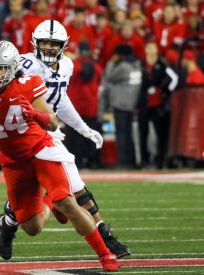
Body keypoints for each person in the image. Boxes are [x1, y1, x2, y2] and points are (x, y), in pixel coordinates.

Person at [0, 40, 119, 272]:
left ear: (12, 68)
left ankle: (105, 254)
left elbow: (52, 122)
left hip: (41, 151)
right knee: (32, 227)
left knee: (67, 202)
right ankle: (43, 202)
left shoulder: (28, 83)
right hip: (13, 162)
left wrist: (35, 114)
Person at [18, 19, 130, 258]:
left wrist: (84, 129)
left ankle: (103, 237)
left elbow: (61, 101)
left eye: (53, 43)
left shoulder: (67, 65)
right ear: (34, 43)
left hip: (49, 132)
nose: (48, 47)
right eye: (44, 42)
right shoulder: (25, 63)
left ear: (64, 45)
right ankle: (102, 237)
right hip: (23, 132)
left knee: (75, 188)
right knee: (63, 192)